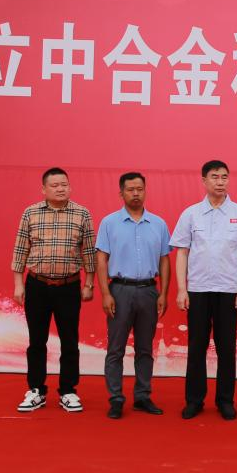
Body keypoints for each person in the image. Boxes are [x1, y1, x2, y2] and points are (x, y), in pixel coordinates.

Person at [170, 159, 237, 421]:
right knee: (196, 347)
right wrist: (182, 289)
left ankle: (225, 400)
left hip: (228, 290)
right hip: (198, 290)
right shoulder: (191, 214)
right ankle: (194, 400)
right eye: (214, 177)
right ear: (204, 181)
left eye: (224, 177)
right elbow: (182, 253)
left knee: (226, 348)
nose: (220, 182)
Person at [11, 167, 96, 413]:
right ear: (44, 189)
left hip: (69, 286)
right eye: (55, 185)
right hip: (37, 285)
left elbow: (89, 251)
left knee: (70, 341)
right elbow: (20, 249)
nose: (60, 189)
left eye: (64, 184)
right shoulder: (31, 213)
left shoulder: (82, 213)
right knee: (36, 340)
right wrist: (18, 284)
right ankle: (36, 390)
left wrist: (89, 283)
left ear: (70, 187)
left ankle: (68, 391)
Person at [95, 172, 171, 419]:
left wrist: (163, 293)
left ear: (145, 191)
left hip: (149, 290)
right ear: (121, 193)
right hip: (120, 290)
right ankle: (116, 398)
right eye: (130, 189)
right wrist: (105, 293)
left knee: (145, 348)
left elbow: (164, 259)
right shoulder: (109, 223)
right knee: (116, 348)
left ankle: (142, 396)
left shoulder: (158, 224)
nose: (135, 193)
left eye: (140, 189)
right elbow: (101, 259)